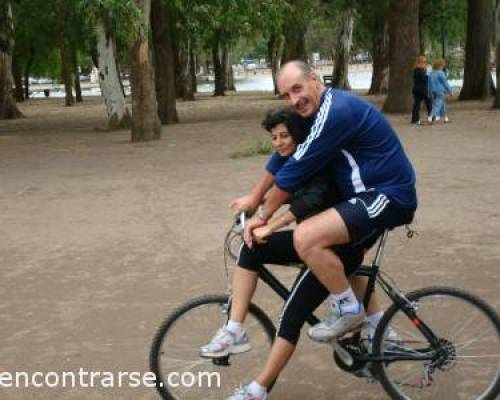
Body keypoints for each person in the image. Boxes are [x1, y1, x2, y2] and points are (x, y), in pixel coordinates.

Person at [201, 107, 392, 400]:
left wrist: (270, 223)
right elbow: (282, 189)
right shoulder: (292, 158)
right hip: (318, 243)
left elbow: (310, 199)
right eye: (274, 137)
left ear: (299, 135)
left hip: (331, 249)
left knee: (290, 317)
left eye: (284, 135)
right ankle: (235, 328)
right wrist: (254, 206)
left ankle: (257, 391)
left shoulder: (315, 161)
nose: (278, 142)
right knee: (251, 250)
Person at [244, 60, 416, 350]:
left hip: (386, 197)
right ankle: (380, 332)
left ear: (314, 79)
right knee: (339, 259)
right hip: (361, 199)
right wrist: (254, 196)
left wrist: (264, 216)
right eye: (286, 95)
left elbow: (297, 167)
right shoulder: (315, 111)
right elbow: (286, 155)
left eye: (297, 89)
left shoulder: (336, 111)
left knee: (306, 236)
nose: (293, 100)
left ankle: (348, 309)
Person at [428, 58, 452, 124]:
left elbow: (429, 85)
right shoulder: (441, 73)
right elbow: (445, 83)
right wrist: (450, 91)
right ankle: (430, 118)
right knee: (437, 105)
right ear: (441, 65)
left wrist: (429, 93)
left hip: (433, 92)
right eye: (443, 65)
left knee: (443, 105)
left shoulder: (431, 74)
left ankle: (446, 118)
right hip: (440, 91)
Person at [411, 55, 432, 125]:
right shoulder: (420, 71)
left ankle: (414, 119)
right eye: (424, 62)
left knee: (417, 104)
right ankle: (430, 117)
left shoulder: (416, 70)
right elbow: (424, 79)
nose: (425, 64)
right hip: (422, 90)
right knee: (428, 103)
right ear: (421, 63)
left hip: (417, 89)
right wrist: (428, 74)